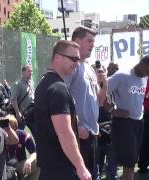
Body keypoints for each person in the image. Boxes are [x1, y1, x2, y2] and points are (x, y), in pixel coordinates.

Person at [34, 40, 91, 180]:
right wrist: (81, 167)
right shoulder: (58, 88)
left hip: (50, 168)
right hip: (61, 169)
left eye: (78, 59)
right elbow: (64, 133)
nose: (77, 63)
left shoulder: (44, 84)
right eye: (73, 58)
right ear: (58, 57)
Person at [66, 26, 107, 179]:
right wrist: (77, 125)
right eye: (89, 41)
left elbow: (100, 101)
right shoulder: (72, 66)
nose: (92, 45)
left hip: (92, 133)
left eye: (93, 41)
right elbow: (61, 99)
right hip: (78, 135)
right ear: (77, 41)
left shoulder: (89, 68)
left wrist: (104, 84)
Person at [107, 55, 149, 180]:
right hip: (124, 122)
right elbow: (101, 90)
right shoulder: (122, 75)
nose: (148, 74)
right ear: (141, 63)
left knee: (132, 159)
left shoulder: (145, 77)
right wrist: (112, 110)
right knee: (129, 161)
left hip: (139, 121)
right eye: (147, 71)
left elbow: (137, 97)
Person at [6, 115, 40, 180]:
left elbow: (34, 152)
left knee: (38, 162)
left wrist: (29, 161)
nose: (8, 130)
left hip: (20, 164)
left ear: (16, 128)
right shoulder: (0, 136)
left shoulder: (22, 135)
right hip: (6, 166)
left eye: (11, 128)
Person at [10, 65, 34, 130]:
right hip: (22, 115)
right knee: (20, 133)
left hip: (31, 114)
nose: (31, 73)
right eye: (29, 71)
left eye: (31, 71)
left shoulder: (31, 83)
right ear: (23, 72)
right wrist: (18, 113)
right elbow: (13, 100)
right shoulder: (18, 84)